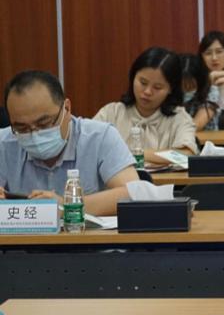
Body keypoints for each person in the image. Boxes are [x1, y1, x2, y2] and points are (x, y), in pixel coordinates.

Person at [0, 70, 138, 215]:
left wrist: (67, 206)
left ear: (66, 108)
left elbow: (132, 194)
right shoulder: (3, 143)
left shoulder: (100, 137)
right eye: (22, 128)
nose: (34, 135)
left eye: (44, 124)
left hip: (85, 230)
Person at [94, 47, 198, 164]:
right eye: (143, 83)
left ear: (171, 89)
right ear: (133, 77)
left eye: (157, 87)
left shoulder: (179, 118)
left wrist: (138, 154)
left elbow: (186, 155)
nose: (147, 92)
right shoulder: (112, 113)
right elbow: (88, 145)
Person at [180, 53, 220, 131]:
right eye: (183, 85)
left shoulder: (211, 92)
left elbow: (196, 125)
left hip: (203, 138)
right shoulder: (170, 92)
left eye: (191, 86)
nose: (186, 89)